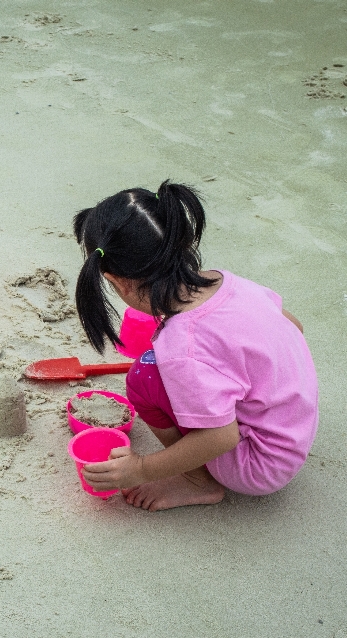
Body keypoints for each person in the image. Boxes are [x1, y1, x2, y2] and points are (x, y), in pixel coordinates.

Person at [73, 181, 318, 511]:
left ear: (119, 282)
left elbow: (221, 437)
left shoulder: (181, 346)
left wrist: (140, 469)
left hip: (259, 466)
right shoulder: (229, 283)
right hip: (296, 426)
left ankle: (197, 480)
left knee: (144, 376)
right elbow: (294, 327)